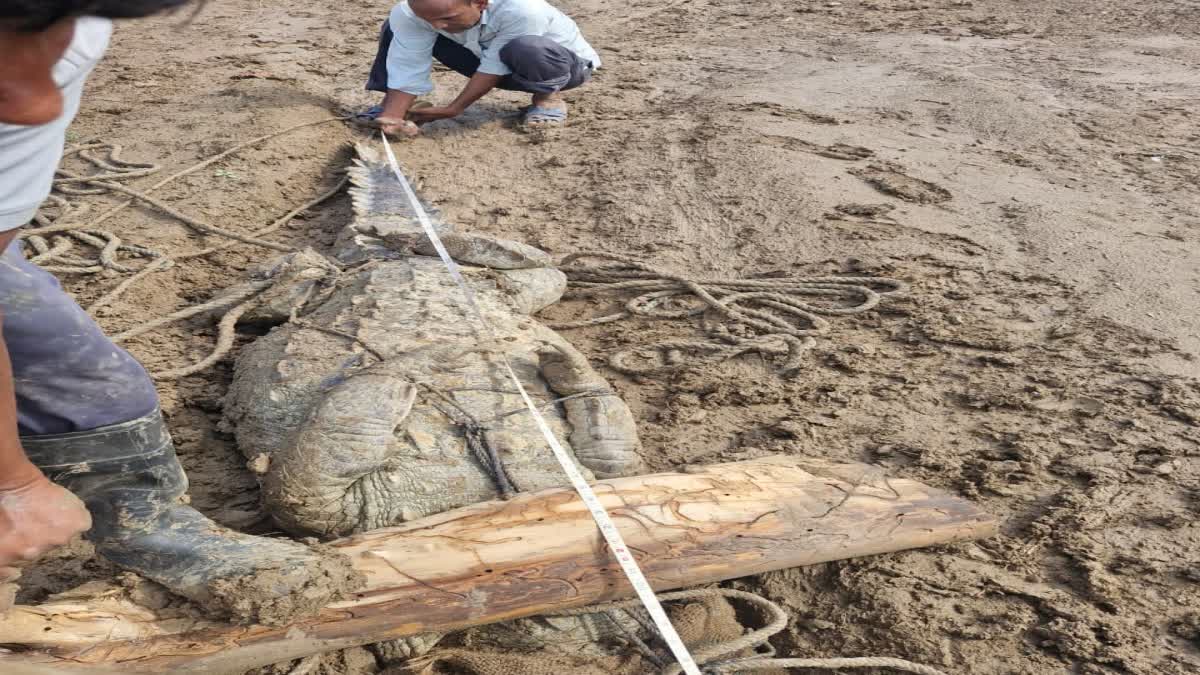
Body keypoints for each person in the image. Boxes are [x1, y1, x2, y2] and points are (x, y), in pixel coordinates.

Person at [0, 1, 347, 617]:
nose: (38, 102)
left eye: (47, 38)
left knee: (73, 368)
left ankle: (141, 519)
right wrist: (13, 481)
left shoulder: (58, 28)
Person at [364, 0, 600, 136]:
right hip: (488, 59)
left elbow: (494, 65)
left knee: (527, 47)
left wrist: (453, 109)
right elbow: (408, 59)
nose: (438, 26)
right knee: (396, 27)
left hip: (562, 69)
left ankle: (547, 98)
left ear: (480, 3)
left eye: (448, 18)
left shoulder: (522, 10)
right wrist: (394, 118)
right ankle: (391, 106)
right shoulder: (413, 11)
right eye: (429, 19)